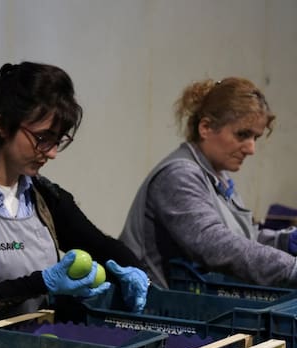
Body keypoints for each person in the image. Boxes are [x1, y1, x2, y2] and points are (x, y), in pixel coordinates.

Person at [0, 62, 150, 320]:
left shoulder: (43, 196)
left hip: (35, 340)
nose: (52, 152)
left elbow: (99, 245)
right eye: (42, 138)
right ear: (2, 125)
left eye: (57, 140)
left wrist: (133, 271)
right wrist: (42, 283)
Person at [119, 77, 293, 287]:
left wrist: (284, 241)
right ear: (206, 127)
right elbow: (214, 244)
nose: (251, 149)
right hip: (155, 303)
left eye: (255, 138)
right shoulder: (179, 175)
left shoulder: (217, 176)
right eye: (242, 135)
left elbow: (243, 238)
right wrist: (290, 268)